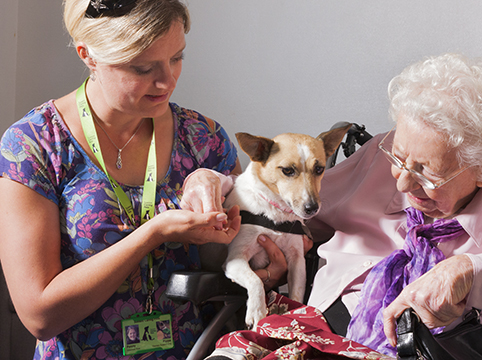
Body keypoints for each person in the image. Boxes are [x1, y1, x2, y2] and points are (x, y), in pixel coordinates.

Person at [199, 53, 482, 360]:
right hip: (312, 332)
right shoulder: (379, 156)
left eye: (425, 172)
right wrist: (215, 183)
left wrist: (480, 272)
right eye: (400, 157)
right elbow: (288, 203)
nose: (403, 181)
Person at [0, 0, 282, 358]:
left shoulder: (204, 139)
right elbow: (40, 316)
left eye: (177, 58)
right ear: (89, 56)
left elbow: (235, 258)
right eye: (143, 67)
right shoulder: (35, 145)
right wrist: (154, 232)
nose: (167, 80)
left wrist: (263, 267)